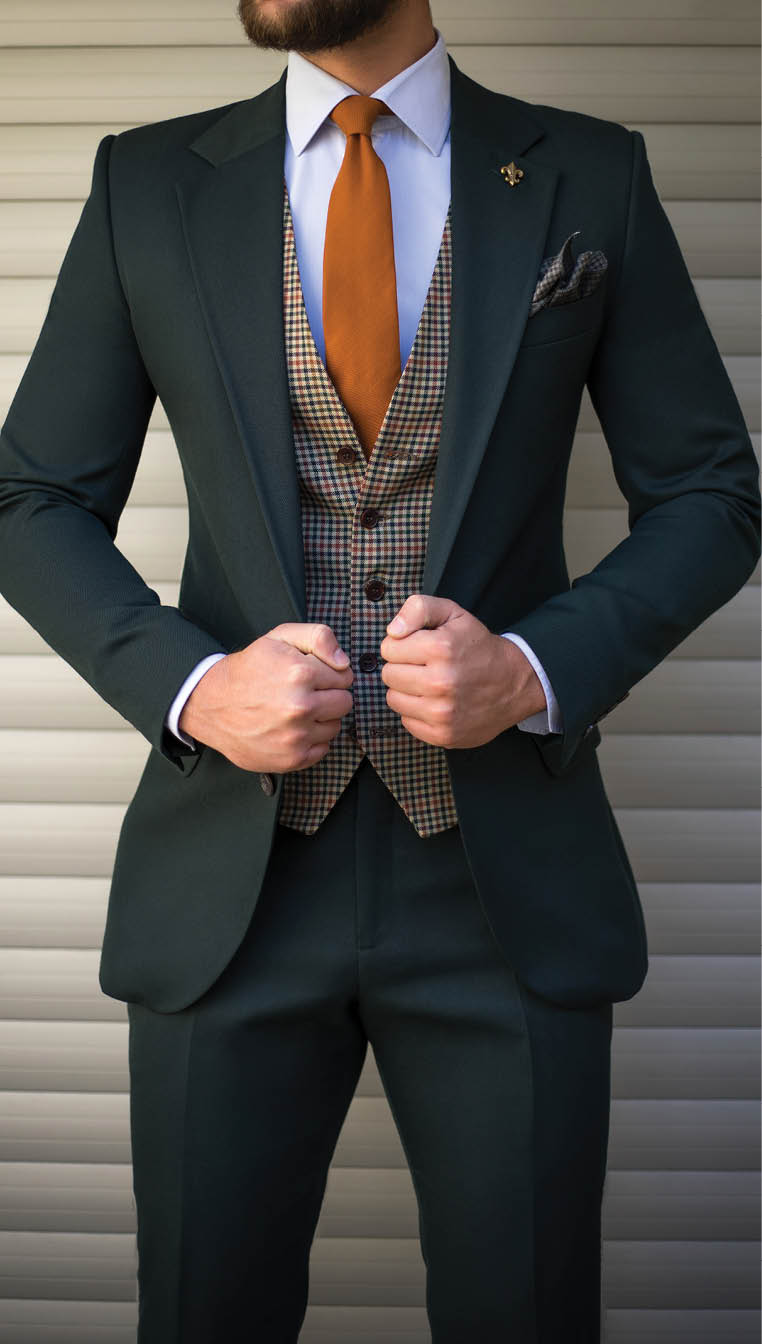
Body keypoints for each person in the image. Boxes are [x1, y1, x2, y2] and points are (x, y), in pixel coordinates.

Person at [0, 1, 758, 1340]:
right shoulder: (151, 184)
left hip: (502, 881)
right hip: (226, 889)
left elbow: (708, 491)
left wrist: (531, 666)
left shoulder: (586, 172)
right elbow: (31, 495)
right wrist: (189, 686)